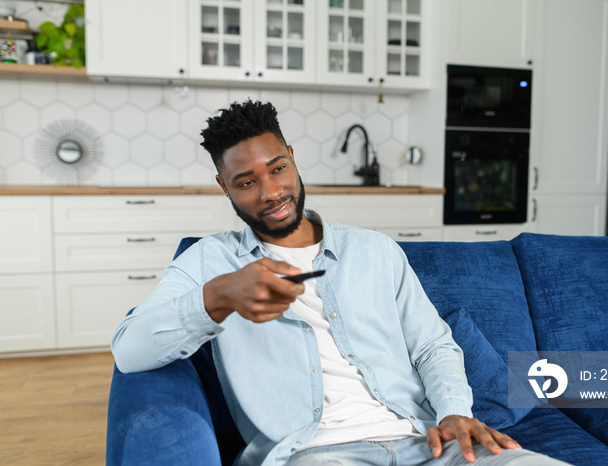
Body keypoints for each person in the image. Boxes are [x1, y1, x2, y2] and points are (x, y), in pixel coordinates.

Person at [111, 100, 569, 466]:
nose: (270, 192)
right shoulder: (211, 260)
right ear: (223, 186)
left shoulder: (376, 251)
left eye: (276, 169)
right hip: (316, 454)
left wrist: (454, 412)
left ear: (292, 158)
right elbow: (130, 351)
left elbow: (433, 346)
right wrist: (218, 297)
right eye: (246, 182)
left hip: (429, 443)